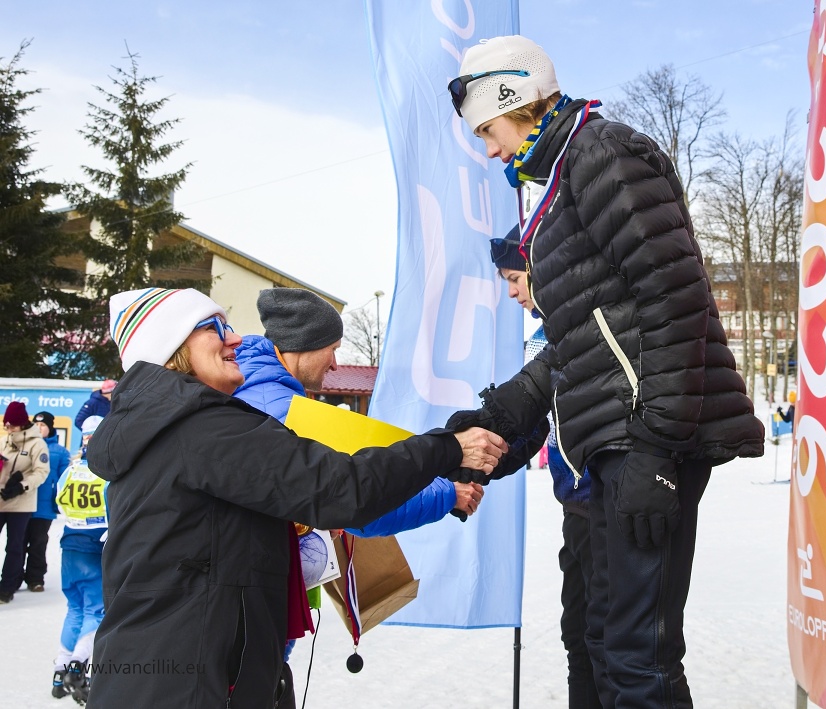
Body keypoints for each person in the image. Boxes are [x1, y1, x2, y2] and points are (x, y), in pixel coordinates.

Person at [447, 36, 764, 708]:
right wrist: (503, 414)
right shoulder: (564, 178)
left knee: (637, 659)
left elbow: (674, 298)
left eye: (487, 130)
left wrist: (656, 449)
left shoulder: (601, 153)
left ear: (513, 100)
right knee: (602, 644)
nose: (490, 150)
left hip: (644, 436)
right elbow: (583, 339)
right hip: (616, 438)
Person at [86, 287, 512, 708]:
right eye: (215, 328)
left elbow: (206, 541)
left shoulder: (169, 427)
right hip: (187, 682)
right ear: (173, 345)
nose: (236, 338)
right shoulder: (204, 429)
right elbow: (341, 489)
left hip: (171, 669)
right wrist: (446, 450)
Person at [233, 287, 485, 706]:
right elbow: (359, 500)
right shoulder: (280, 408)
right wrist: (448, 495)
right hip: (252, 598)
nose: (335, 363)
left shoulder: (260, 389)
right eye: (331, 349)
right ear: (302, 345)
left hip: (255, 590)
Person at [491, 233, 601, 709]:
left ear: (542, 267)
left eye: (515, 278)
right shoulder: (539, 338)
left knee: (610, 642)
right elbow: (534, 424)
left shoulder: (589, 321)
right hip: (574, 510)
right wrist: (483, 459)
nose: (512, 292)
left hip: (610, 506)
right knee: (576, 634)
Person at [51, 414, 107, 704]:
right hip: (96, 546)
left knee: (74, 609)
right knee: (96, 611)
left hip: (70, 544)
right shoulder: (105, 472)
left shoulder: (71, 470)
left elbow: (57, 501)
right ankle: (77, 667)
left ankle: (59, 673)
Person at [0, 401, 50, 604]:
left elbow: (42, 471)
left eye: (12, 425)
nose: (8, 428)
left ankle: (7, 587)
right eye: (6, 425)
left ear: (22, 423)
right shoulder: (4, 441)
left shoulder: (37, 444)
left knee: (15, 545)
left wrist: (22, 485)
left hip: (21, 503)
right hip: (1, 498)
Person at [23, 411, 70, 593]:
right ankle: (13, 577)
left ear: (50, 428)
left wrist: (57, 501)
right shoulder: (25, 446)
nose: (39, 428)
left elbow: (63, 480)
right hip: (22, 503)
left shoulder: (60, 451)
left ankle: (35, 578)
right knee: (18, 543)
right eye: (36, 424)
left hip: (44, 507)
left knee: (38, 542)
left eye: (43, 425)